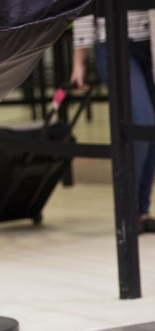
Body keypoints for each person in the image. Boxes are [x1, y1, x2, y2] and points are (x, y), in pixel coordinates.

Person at [71, 5, 155, 233]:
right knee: (141, 122)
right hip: (114, 42)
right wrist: (79, 61)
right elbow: (85, 6)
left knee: (152, 128)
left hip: (150, 41)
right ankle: (127, 208)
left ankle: (142, 210)